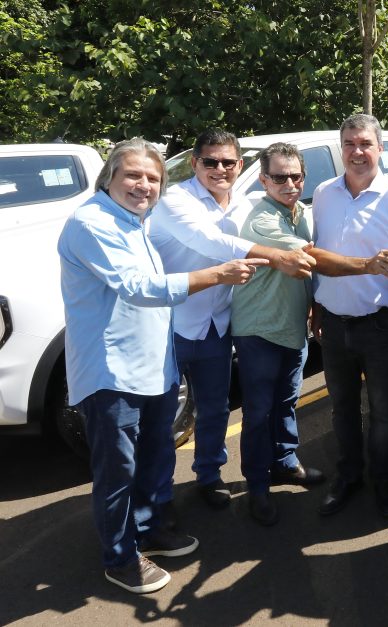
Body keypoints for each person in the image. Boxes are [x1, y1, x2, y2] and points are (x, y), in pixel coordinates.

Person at [57, 138, 265, 593]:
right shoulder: (91, 222)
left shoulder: (136, 220)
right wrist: (217, 274)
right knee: (117, 471)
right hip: (111, 372)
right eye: (133, 174)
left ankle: (150, 529)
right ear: (109, 175)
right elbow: (138, 287)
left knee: (155, 456)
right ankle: (120, 556)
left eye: (153, 177)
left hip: (154, 366)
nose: (144, 185)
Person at [149, 128, 315, 513]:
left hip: (218, 324)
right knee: (161, 419)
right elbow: (210, 242)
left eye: (228, 162)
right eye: (210, 161)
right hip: (170, 325)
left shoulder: (244, 204)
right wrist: (276, 256)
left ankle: (209, 477)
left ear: (240, 166)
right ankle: (158, 499)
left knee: (215, 410)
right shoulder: (176, 199)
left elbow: (282, 213)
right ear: (195, 164)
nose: (219, 169)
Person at [310, 114, 388, 520]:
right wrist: (317, 304)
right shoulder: (323, 193)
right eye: (349, 144)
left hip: (380, 326)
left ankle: (382, 481)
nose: (357, 152)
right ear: (341, 148)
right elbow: (318, 255)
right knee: (341, 408)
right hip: (334, 325)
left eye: (365, 144)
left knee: (383, 411)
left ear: (380, 148)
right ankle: (349, 476)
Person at [230, 142, 325, 527]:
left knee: (286, 403)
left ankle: (284, 464)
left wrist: (315, 308)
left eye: (296, 176)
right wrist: (369, 264)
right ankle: (256, 486)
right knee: (257, 413)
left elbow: (309, 275)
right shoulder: (261, 219)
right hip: (259, 330)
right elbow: (311, 257)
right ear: (264, 179)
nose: (289, 183)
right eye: (279, 176)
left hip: (292, 329)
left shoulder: (303, 213)